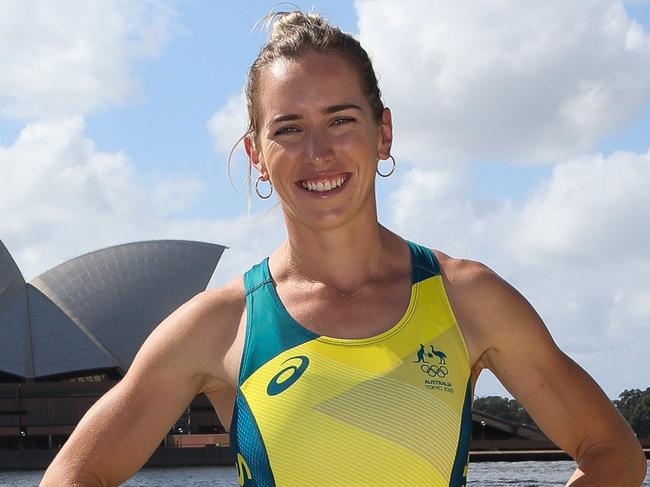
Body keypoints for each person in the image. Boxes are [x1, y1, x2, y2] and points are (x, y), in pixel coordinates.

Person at [41, 11, 646, 487]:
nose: (318, 152)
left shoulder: (469, 298)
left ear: (383, 132)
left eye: (340, 119)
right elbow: (74, 475)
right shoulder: (221, 324)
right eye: (288, 128)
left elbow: (614, 454)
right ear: (256, 155)